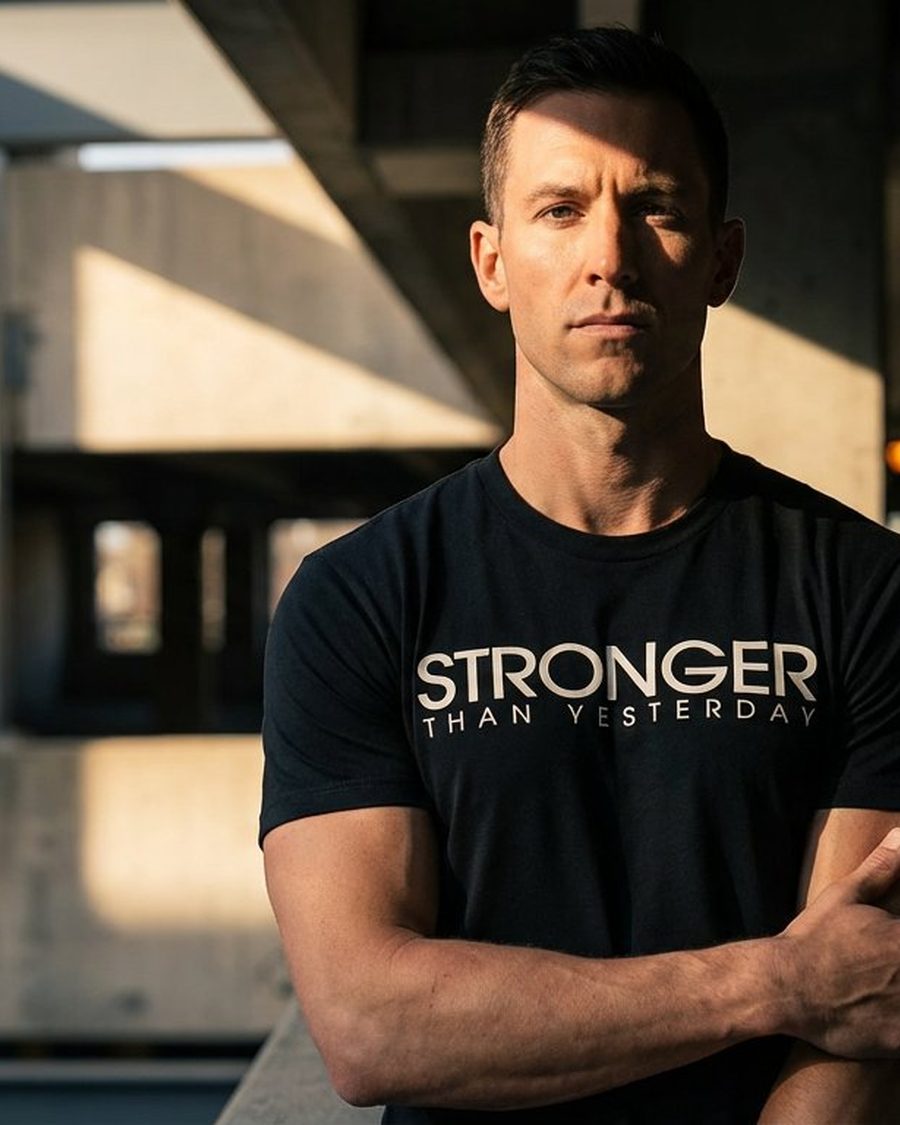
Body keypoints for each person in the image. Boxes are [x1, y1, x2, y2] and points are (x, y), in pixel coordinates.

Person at [260, 26, 900, 1123]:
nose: (611, 254)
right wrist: (780, 982)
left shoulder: (865, 588)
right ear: (492, 261)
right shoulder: (359, 599)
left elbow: (868, 1011)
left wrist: (823, 988)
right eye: (560, 210)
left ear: (724, 259)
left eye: (657, 205)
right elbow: (371, 1026)